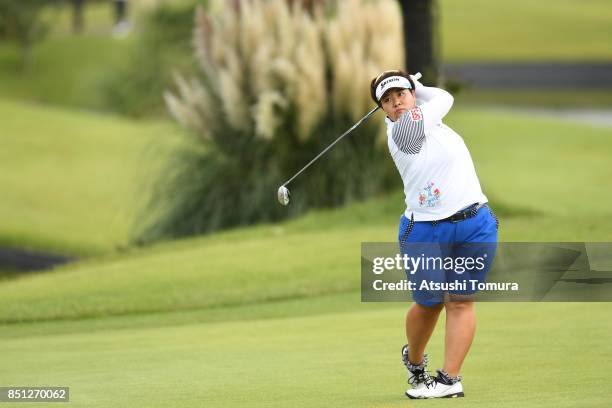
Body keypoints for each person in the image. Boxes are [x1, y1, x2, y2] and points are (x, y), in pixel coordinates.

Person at [369, 70, 499, 399]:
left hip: (475, 222)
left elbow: (435, 106)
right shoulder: (404, 131)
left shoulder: (434, 124)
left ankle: (449, 379)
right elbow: (445, 98)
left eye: (401, 93)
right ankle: (414, 361)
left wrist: (415, 89)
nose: (396, 101)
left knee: (460, 302)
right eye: (387, 99)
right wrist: (421, 88)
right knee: (429, 304)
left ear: (410, 97)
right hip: (425, 230)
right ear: (382, 110)